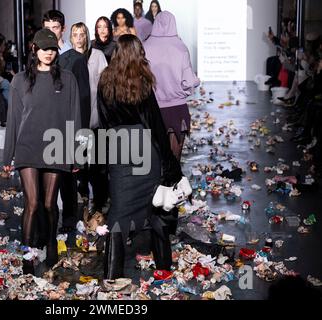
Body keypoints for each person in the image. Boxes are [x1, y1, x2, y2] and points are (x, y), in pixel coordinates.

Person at [97, 34, 183, 279]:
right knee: (155, 213)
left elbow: (103, 123)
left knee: (117, 214)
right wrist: (170, 166)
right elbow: (155, 124)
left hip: (119, 150)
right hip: (145, 150)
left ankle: (111, 277)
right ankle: (164, 268)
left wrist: (105, 163)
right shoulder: (142, 82)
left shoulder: (105, 81)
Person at [3, 29, 82, 271]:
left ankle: (49, 248)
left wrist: (77, 152)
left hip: (56, 147)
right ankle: (27, 260)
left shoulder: (67, 79)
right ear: (34, 49)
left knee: (49, 205)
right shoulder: (20, 80)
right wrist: (8, 155)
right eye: (44, 48)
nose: (48, 53)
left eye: (52, 49)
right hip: (27, 147)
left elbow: (75, 117)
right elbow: (14, 119)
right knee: (33, 203)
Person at [43, 10, 91, 232]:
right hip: (44, 123)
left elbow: (83, 97)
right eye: (47, 28)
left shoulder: (76, 58)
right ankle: (48, 222)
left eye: (55, 28)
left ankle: (69, 222)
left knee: (67, 177)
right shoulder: (39, 55)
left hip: (68, 126)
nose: (51, 32)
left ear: (63, 29)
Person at [144, 11, 200, 161]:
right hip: (177, 108)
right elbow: (188, 82)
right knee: (174, 161)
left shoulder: (145, 47)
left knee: (155, 160)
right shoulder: (180, 47)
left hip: (153, 108)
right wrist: (192, 84)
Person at [70, 22, 109, 213]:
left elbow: (105, 84)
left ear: (87, 36)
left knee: (98, 165)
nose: (78, 37)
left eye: (81, 33)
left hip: (95, 117)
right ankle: (83, 198)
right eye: (75, 34)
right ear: (71, 38)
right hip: (77, 119)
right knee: (81, 164)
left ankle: (100, 202)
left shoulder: (98, 56)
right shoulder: (67, 59)